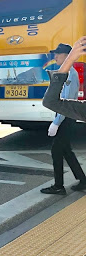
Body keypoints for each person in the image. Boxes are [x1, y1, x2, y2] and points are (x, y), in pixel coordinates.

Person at [42, 41, 86, 194]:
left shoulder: (70, 74)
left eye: (58, 54)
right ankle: (82, 180)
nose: (55, 57)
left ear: (68, 56)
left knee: (57, 151)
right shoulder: (68, 73)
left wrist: (56, 122)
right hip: (66, 116)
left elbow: (66, 102)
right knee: (66, 150)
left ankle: (58, 186)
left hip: (66, 117)